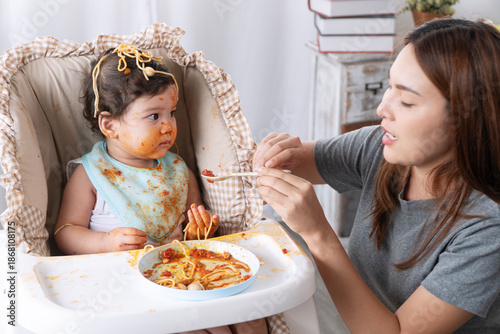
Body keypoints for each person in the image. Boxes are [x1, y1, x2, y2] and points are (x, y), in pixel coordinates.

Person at [253, 19, 500, 333]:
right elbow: (297, 159)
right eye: (389, 87)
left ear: (465, 119)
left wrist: (318, 234)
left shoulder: (487, 227)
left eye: (407, 101)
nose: (383, 108)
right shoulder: (380, 147)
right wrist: (272, 152)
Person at [54, 45, 219, 255]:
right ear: (110, 126)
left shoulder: (180, 173)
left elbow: (190, 237)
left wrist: (199, 234)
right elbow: (64, 232)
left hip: (173, 277)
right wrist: (105, 243)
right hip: (113, 278)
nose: (168, 126)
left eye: (171, 113)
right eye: (154, 116)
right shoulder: (90, 174)